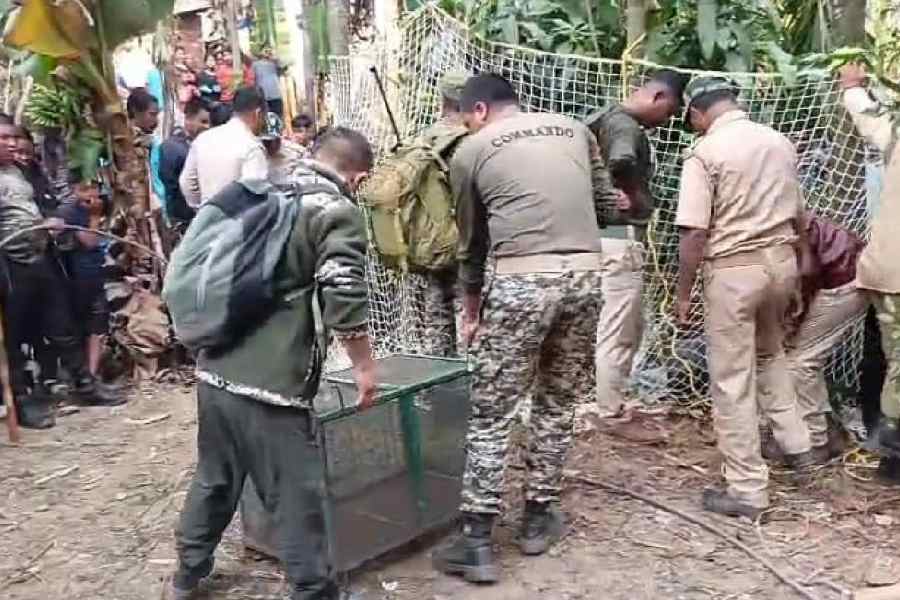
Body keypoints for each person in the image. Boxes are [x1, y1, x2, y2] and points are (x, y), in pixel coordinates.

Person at [162, 127, 378, 600]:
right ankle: (314, 591)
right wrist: (364, 366)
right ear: (357, 178)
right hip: (271, 387)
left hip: (214, 368)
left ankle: (186, 573)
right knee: (297, 494)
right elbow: (344, 291)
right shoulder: (335, 210)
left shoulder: (260, 190)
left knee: (215, 477)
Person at [432, 74, 613, 583]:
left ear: (480, 111)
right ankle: (538, 518)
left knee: (492, 411)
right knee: (557, 402)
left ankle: (477, 541)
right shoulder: (575, 130)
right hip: (586, 276)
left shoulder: (470, 151)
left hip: (520, 282)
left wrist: (472, 307)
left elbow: (472, 244)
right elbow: (603, 207)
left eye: (466, 116)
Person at [675, 77, 817, 519]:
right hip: (781, 262)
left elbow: (695, 231)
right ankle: (798, 446)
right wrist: (800, 268)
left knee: (731, 378)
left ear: (698, 113)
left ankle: (747, 489)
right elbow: (799, 214)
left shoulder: (705, 153)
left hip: (735, 270)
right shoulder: (779, 142)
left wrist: (683, 294)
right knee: (770, 353)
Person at [585, 70, 687, 419]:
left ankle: (606, 400)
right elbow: (622, 160)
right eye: (670, 112)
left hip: (596, 240)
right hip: (618, 242)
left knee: (615, 326)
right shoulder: (625, 126)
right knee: (619, 331)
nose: (668, 120)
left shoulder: (602, 118)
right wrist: (627, 194)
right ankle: (610, 410)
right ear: (658, 98)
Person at [0, 123, 113, 429]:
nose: (11, 144)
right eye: (4, 138)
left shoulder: (18, 174)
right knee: (13, 337)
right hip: (9, 264)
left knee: (61, 324)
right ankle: (21, 402)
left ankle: (86, 385)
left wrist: (50, 223)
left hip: (39, 257)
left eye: (13, 138)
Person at [760, 213, 867, 462]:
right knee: (799, 358)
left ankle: (816, 441)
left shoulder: (771, 224)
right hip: (842, 269)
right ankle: (826, 428)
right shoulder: (771, 212)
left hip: (844, 276)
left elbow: (806, 273)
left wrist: (793, 320)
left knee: (802, 362)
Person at [838, 64, 900, 483]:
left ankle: (890, 453)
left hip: (884, 270)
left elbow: (868, 118)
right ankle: (893, 456)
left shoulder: (896, 137)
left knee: (891, 356)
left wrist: (852, 88)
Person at [414, 71, 470, 357]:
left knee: (437, 314)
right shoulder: (471, 139)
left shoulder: (425, 138)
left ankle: (437, 385)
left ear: (443, 98)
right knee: (469, 313)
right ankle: (469, 379)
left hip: (432, 238)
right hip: (469, 237)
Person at [57, 171, 123, 394]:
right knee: (79, 327)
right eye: (84, 189)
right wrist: (95, 216)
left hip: (92, 274)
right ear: (74, 190)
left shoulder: (94, 206)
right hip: (75, 278)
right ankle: (79, 380)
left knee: (97, 324)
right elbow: (89, 241)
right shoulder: (68, 211)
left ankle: (93, 376)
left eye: (93, 187)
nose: (91, 193)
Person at [179, 86, 269, 208]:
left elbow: (186, 182)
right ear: (258, 114)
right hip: (240, 221)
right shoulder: (252, 146)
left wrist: (203, 209)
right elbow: (255, 195)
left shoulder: (203, 139)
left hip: (207, 221)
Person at [158, 98, 211, 225]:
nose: (207, 127)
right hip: (181, 216)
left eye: (209, 122)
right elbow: (170, 185)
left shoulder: (202, 144)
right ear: (188, 119)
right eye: (203, 121)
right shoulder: (172, 148)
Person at [252, 47, 285, 117]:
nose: (267, 52)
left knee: (277, 118)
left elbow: (283, 68)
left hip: (275, 96)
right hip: (263, 97)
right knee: (264, 119)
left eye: (269, 51)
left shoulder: (275, 63)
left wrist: (274, 57)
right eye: (265, 51)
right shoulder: (255, 64)